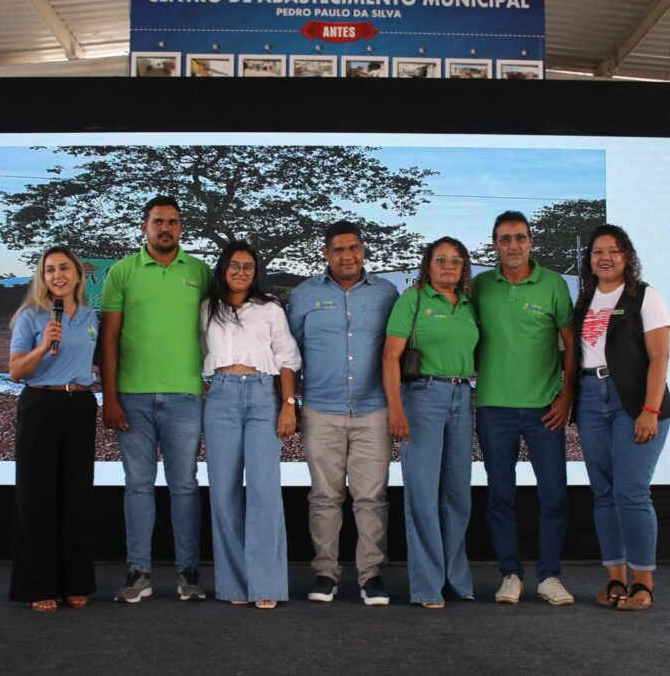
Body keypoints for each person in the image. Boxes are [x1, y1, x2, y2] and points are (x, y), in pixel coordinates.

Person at [100, 195, 212, 603]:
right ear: (144, 227)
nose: (166, 228)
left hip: (186, 395)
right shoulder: (122, 271)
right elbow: (109, 339)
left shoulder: (200, 271)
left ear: (181, 228)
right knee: (138, 486)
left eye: (174, 222)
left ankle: (188, 572)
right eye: (159, 221)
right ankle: (139, 572)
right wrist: (110, 398)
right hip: (132, 397)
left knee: (185, 486)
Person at [287, 220, 399, 606]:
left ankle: (371, 576)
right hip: (320, 411)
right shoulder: (304, 295)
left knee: (372, 498)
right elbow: (290, 354)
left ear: (363, 249)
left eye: (353, 248)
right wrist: (290, 403)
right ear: (325, 253)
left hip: (373, 410)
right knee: (324, 497)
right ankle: (325, 573)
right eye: (338, 249)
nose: (347, 255)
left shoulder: (387, 293)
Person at [472, 210, 576, 606]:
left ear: (531, 241)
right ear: (495, 245)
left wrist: (566, 396)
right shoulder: (480, 286)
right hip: (494, 406)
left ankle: (549, 576)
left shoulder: (553, 284)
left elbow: (570, 344)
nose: (513, 245)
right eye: (505, 238)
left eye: (520, 237)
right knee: (500, 496)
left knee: (554, 496)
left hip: (544, 409)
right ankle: (510, 575)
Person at [573, 224, 670, 611]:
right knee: (604, 493)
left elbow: (660, 358)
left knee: (631, 493)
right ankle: (615, 578)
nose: (606, 257)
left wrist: (650, 410)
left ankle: (643, 582)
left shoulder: (645, 297)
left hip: (633, 401)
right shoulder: (584, 301)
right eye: (598, 251)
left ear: (626, 257)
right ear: (590, 260)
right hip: (590, 399)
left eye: (614, 250)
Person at [201, 241, 301, 609]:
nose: (241, 272)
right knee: (223, 493)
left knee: (264, 491)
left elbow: (286, 357)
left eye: (247, 266)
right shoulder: (207, 307)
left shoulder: (269, 307)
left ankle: (266, 585)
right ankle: (233, 585)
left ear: (255, 272)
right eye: (234, 265)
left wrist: (288, 405)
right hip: (221, 396)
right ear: (222, 269)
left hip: (263, 395)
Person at [382, 237, 478, 608]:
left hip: (462, 396)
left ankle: (456, 579)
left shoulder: (468, 305)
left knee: (457, 495)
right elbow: (391, 357)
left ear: (464, 267)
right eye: (441, 259)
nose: (448, 266)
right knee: (423, 495)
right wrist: (396, 409)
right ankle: (427, 586)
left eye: (456, 260)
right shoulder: (413, 301)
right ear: (428, 264)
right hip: (423, 396)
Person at [8, 246, 98, 611]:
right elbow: (16, 371)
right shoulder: (31, 316)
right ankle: (39, 586)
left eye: (64, 268)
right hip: (41, 405)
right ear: (42, 278)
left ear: (77, 274)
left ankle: (75, 582)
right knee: (37, 498)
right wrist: (44, 345)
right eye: (49, 270)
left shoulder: (91, 316)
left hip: (80, 406)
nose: (57, 275)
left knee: (76, 496)